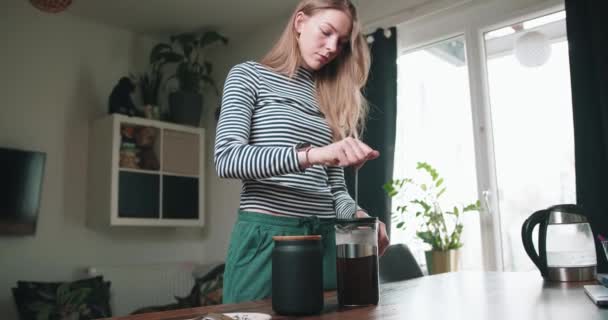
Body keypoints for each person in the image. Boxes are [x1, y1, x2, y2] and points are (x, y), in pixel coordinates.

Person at [214, 0, 390, 304]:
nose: (332, 47)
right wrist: (312, 155)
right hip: (266, 239)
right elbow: (228, 159)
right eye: (326, 31)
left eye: (342, 42)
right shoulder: (248, 76)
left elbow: (336, 191)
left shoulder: (331, 98)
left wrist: (361, 218)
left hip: (326, 239)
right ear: (299, 22)